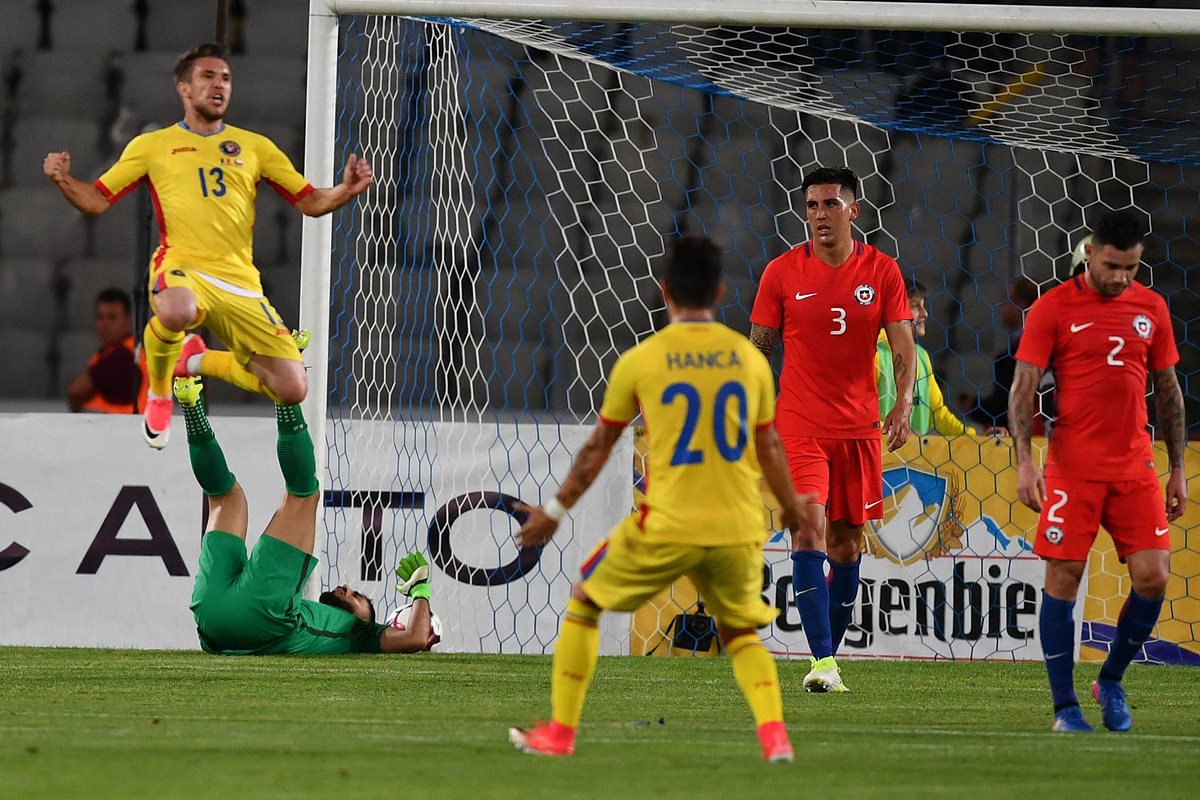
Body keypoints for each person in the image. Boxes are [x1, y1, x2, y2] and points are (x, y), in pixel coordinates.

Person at [508, 236, 811, 762]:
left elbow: (598, 447)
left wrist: (554, 513)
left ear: (663, 291)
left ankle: (560, 732)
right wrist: (790, 507)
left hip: (666, 524)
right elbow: (770, 445)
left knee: (585, 599)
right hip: (737, 527)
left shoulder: (642, 360)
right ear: (720, 290)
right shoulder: (749, 360)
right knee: (740, 633)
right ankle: (775, 738)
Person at [43, 42, 373, 450]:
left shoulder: (256, 147)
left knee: (291, 387)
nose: (219, 85)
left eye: (226, 78)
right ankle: (160, 392)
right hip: (183, 266)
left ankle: (195, 360)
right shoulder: (153, 146)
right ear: (183, 88)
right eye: (208, 76)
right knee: (177, 309)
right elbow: (95, 199)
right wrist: (62, 180)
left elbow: (310, 201)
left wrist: (345, 190)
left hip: (240, 282)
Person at [1010, 208, 1187, 733]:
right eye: (1112, 266)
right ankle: (1065, 708)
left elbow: (1169, 393)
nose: (1119, 278)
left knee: (1153, 577)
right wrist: (1025, 461)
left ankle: (1109, 679)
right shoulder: (1053, 308)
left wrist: (1176, 468)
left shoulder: (1151, 308)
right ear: (1090, 252)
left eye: (1130, 268)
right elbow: (1023, 390)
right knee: (1063, 578)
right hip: (1072, 469)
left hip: (1134, 468)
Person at [748, 166, 915, 692]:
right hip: (798, 425)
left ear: (853, 210)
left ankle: (829, 657)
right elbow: (758, 349)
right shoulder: (780, 273)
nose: (820, 214)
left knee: (845, 547)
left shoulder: (882, 272)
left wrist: (903, 402)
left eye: (830, 204)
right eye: (812, 205)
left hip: (860, 428)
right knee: (807, 529)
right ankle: (821, 663)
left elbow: (905, 346)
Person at [176, 334, 435, 655]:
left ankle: (285, 390)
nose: (348, 589)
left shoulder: (357, 635)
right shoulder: (306, 615)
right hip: (211, 617)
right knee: (225, 497)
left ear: (362, 622)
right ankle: (191, 405)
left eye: (355, 598)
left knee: (304, 492)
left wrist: (420, 591)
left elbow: (416, 638)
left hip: (260, 615)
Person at [877, 279, 995, 436]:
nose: (925, 313)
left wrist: (976, 439)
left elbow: (937, 413)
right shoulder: (874, 355)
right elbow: (859, 415)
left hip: (914, 458)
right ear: (890, 310)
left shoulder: (921, 356)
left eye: (923, 305)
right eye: (914, 306)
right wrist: (892, 432)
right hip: (881, 456)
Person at [970, 276, 1039, 432]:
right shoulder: (1026, 346)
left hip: (1024, 436)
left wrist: (974, 406)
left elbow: (1003, 404)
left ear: (1021, 305)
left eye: (1006, 301)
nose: (1001, 308)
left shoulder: (1015, 355)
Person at [67, 287, 148, 414]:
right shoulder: (124, 351)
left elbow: (77, 389)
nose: (105, 324)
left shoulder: (122, 356)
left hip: (115, 428)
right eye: (100, 317)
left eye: (112, 317)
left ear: (128, 320)